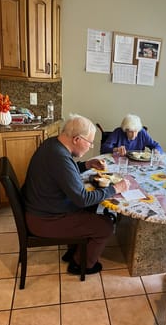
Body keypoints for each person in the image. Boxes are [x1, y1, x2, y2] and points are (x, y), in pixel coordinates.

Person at [22, 114, 130, 275]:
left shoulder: (53, 145)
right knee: (106, 226)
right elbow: (82, 199)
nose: (90, 146)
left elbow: (64, 172)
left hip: (41, 209)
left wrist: (87, 164)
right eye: (89, 142)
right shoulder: (59, 156)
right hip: (45, 220)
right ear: (77, 139)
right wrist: (116, 188)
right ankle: (81, 264)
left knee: (93, 205)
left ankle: (74, 249)